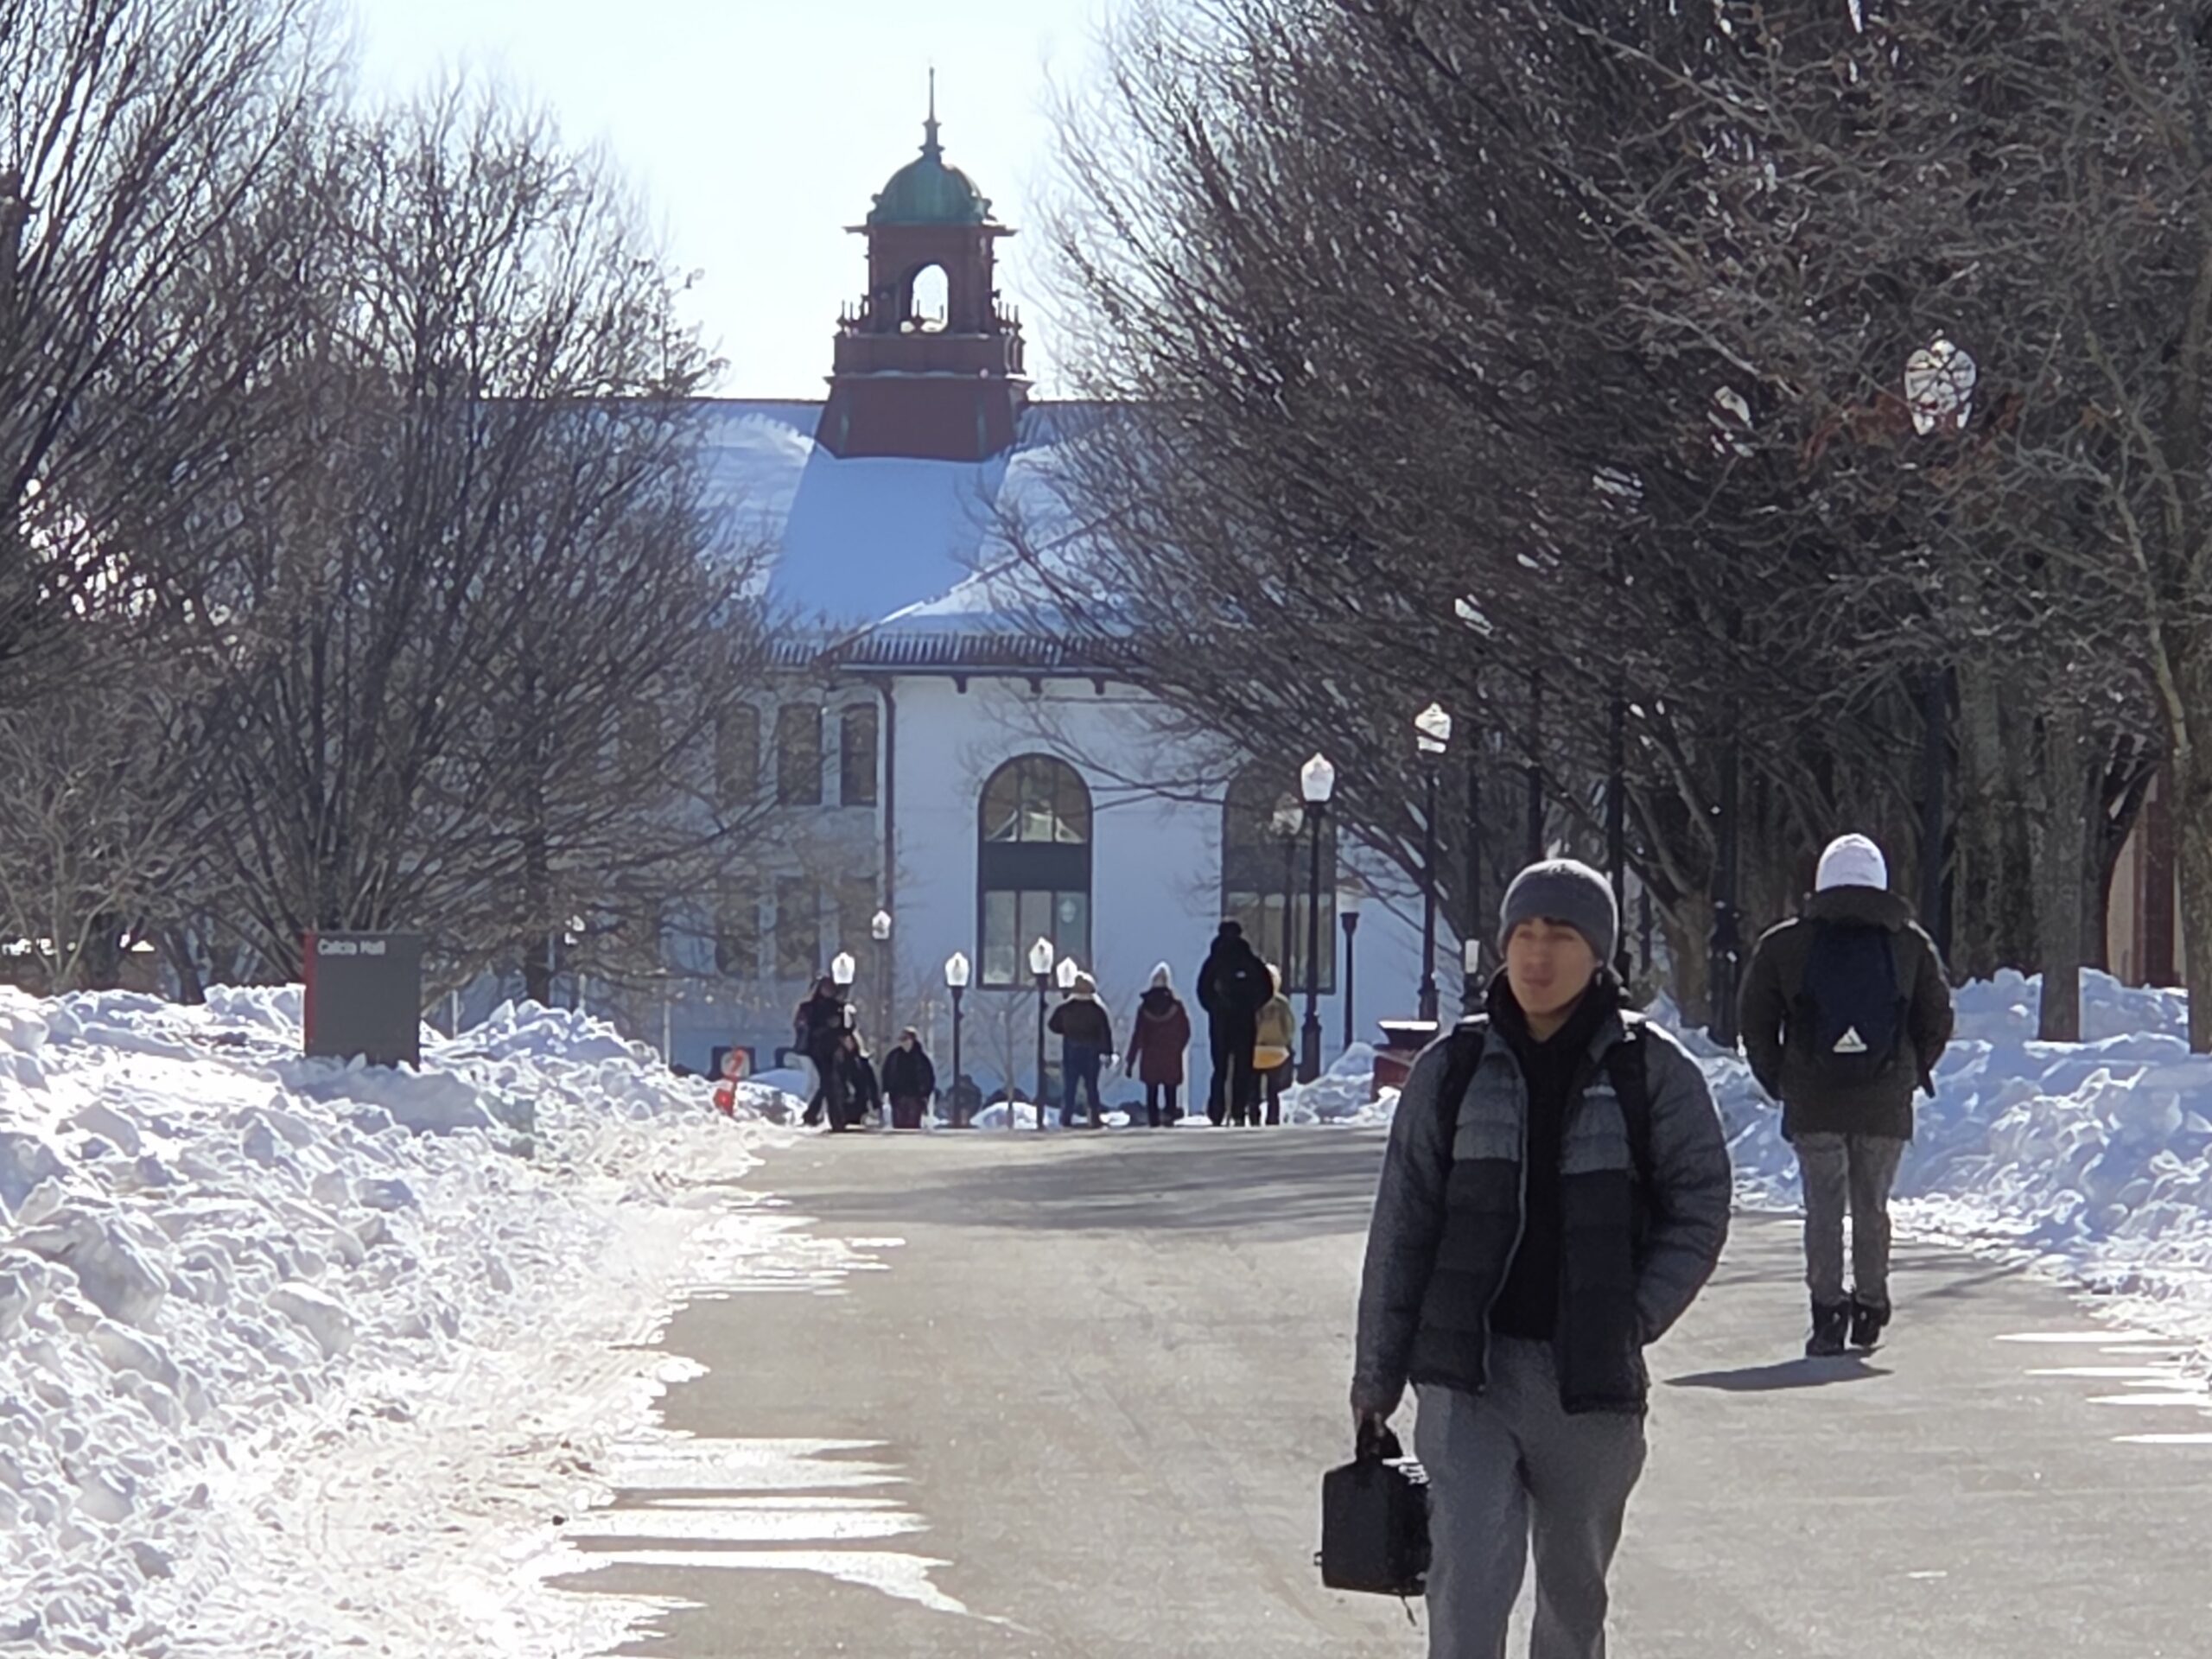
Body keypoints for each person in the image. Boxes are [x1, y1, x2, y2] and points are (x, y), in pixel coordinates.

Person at [1352, 858, 1732, 1659]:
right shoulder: (1451, 1070)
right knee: (1465, 1586)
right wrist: (1377, 1378)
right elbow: (1404, 1224)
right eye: (1522, 934)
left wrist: (1634, 1314)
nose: (1535, 954)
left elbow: (1699, 1203)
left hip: (1589, 1384)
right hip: (1468, 1376)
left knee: (1573, 1595)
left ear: (1598, 953)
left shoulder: (1650, 1071)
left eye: (1558, 935)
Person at [1738, 832, 1955, 1357]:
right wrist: (1906, 1071)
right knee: (1872, 1206)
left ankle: (1827, 1312)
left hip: (1813, 1098)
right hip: (1884, 1099)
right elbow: (1938, 1018)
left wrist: (1780, 1079)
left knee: (1824, 1207)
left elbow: (1754, 1020)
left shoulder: (1785, 945)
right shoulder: (1910, 944)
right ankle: (1872, 1304)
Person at [1196, 919, 1269, 1126]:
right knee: (1243, 1066)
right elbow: (1266, 987)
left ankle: (1217, 1110)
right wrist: (1252, 1005)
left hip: (1221, 1020)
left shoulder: (1214, 961)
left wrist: (1215, 1007)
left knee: (1219, 1067)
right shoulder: (1248, 958)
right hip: (1245, 1019)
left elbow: (1202, 990)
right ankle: (1239, 1110)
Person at [1124, 963, 1193, 1128]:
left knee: (1151, 1088)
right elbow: (1185, 1031)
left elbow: (1138, 1034)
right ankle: (1169, 1117)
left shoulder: (1144, 1008)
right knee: (1171, 1088)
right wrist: (1178, 1048)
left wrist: (1130, 1060)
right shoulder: (1177, 1007)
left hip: (1150, 1055)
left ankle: (1153, 1120)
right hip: (1171, 1055)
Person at [1047, 971, 1114, 1128]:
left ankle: (1066, 1117)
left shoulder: (1066, 1008)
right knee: (1091, 1086)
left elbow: (1052, 1025)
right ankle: (1094, 1117)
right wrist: (1108, 1051)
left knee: (1070, 1086)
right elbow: (1105, 1031)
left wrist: (1066, 1030)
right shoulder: (1097, 1010)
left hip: (1071, 1049)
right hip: (1092, 1050)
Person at [795, 976, 849, 1129]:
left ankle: (824, 1116)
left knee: (831, 1083)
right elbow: (803, 1027)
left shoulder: (838, 1007)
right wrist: (824, 1027)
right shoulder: (809, 1008)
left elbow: (845, 1029)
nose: (828, 992)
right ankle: (832, 1119)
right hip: (815, 1050)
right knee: (828, 1082)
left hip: (833, 1050)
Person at [1252, 963, 1296, 1127]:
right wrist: (1285, 1041)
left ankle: (1253, 1114)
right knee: (1273, 1089)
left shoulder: (1253, 1000)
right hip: (1276, 1050)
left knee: (1254, 1087)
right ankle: (1273, 1117)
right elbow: (1289, 1026)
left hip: (1256, 1049)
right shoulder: (1281, 1003)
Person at [880, 1027, 938, 1130]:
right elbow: (887, 1073)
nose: (904, 1042)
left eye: (906, 1039)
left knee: (913, 1125)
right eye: (902, 1040)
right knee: (898, 1125)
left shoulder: (921, 1058)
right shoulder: (894, 1056)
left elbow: (929, 1078)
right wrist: (887, 1090)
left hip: (915, 1097)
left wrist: (925, 1094)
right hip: (898, 1097)